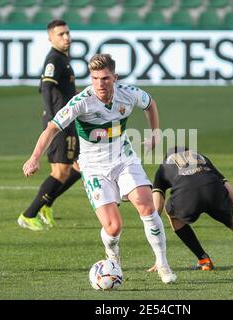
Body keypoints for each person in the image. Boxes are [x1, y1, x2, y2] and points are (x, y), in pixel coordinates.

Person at [22, 53, 177, 284]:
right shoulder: (81, 101)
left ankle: (163, 264)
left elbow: (150, 103)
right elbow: (52, 128)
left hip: (124, 159)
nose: (99, 84)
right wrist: (34, 157)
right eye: (94, 78)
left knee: (146, 206)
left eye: (105, 78)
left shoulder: (129, 94)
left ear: (115, 77)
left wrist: (155, 133)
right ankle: (112, 254)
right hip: (94, 167)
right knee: (113, 227)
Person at [149, 146, 233, 273]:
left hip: (186, 198)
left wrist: (159, 255)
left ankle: (204, 260)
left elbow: (157, 207)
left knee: (172, 213)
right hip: (213, 191)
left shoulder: (163, 167)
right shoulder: (203, 159)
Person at [18, 19, 81, 231]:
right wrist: (54, 120)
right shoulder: (54, 58)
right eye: (61, 34)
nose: (66, 37)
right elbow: (46, 88)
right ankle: (29, 214)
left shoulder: (63, 58)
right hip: (60, 121)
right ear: (50, 38)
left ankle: (47, 204)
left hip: (66, 119)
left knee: (79, 166)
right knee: (62, 172)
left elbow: (61, 90)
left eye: (67, 33)